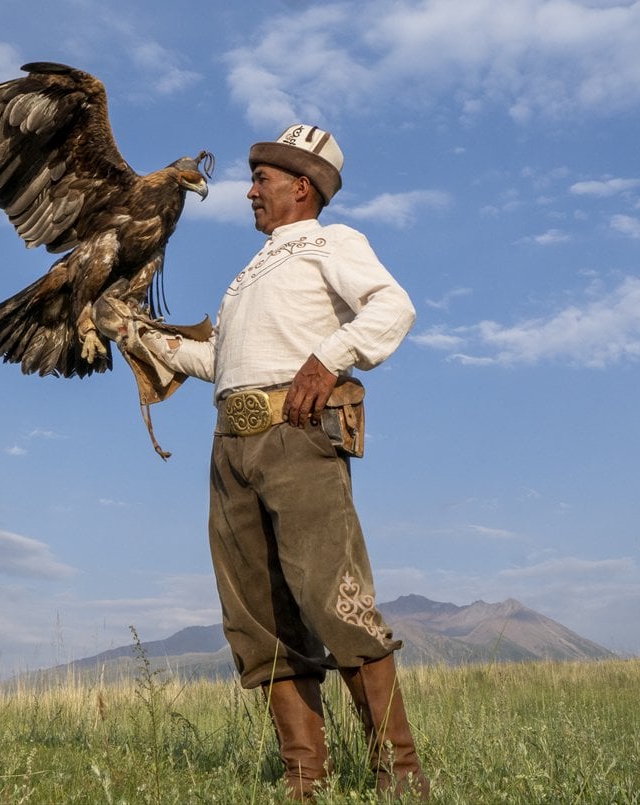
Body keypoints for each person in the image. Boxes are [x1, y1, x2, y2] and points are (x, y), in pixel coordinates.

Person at [123, 126, 429, 800]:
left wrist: (331, 356)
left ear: (302, 185)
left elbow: (393, 306)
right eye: (253, 176)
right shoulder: (247, 274)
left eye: (262, 177)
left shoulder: (332, 242)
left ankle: (400, 772)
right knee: (256, 619)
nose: (250, 189)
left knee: (335, 599)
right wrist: (144, 339)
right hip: (229, 447)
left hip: (298, 435)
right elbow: (222, 363)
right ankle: (303, 776)